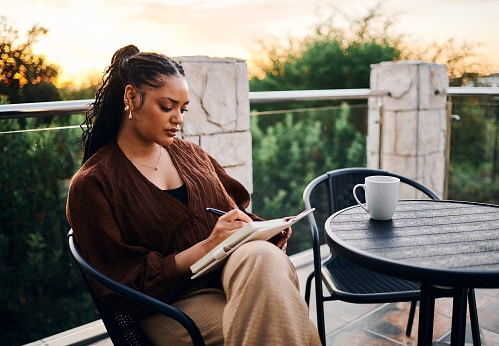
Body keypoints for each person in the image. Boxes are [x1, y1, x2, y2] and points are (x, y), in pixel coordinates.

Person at [66, 44, 321, 346]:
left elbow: (232, 210)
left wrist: (258, 229)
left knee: (264, 256)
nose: (179, 119)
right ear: (132, 98)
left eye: (183, 109)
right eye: (167, 107)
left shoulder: (192, 154)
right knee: (283, 325)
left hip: (233, 272)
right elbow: (124, 280)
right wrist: (208, 245)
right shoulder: (94, 183)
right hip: (173, 303)